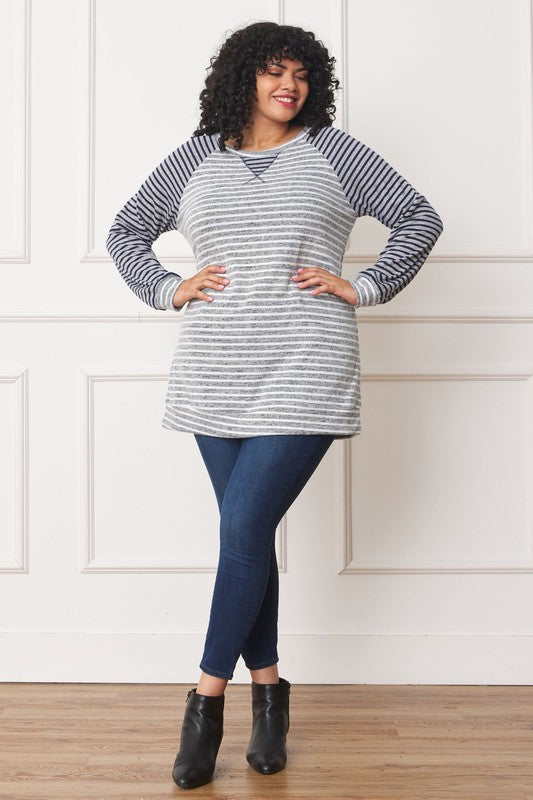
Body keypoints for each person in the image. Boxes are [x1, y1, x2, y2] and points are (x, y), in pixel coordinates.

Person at [106, 20, 444, 791]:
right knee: (244, 536)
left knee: (243, 526)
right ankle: (270, 696)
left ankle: (204, 700)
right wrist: (168, 287)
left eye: (299, 73)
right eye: (271, 71)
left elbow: (417, 218)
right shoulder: (196, 156)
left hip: (307, 365)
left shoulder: (332, 151)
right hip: (214, 371)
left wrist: (360, 285)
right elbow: (127, 230)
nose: (286, 85)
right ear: (242, 77)